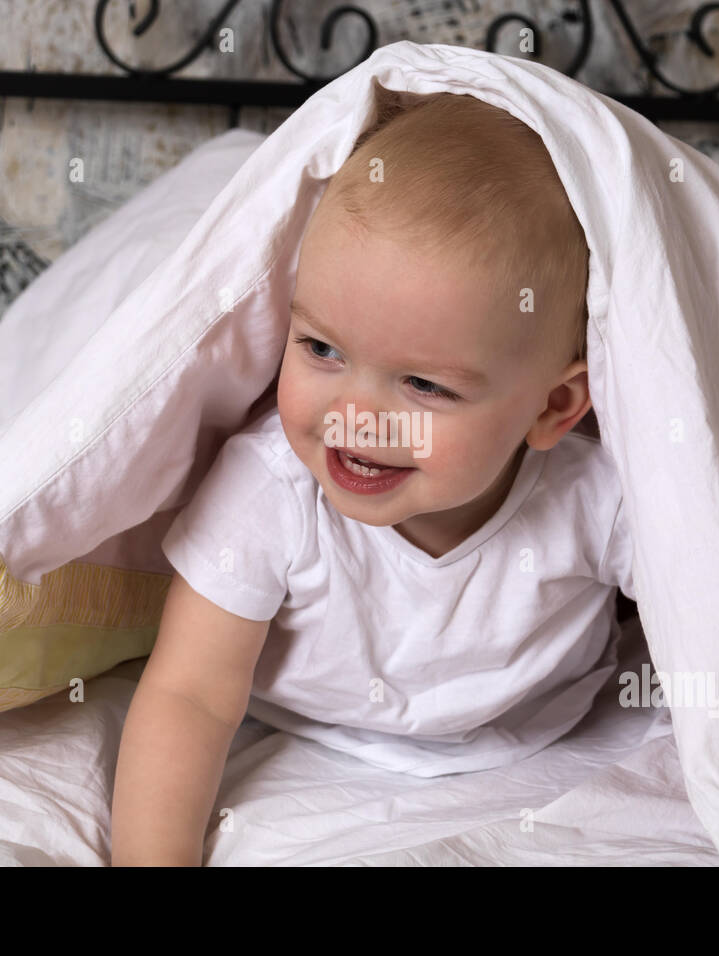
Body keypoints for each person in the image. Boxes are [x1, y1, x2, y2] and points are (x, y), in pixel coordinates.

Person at [111, 89, 635, 866]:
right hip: (296, 729)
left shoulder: (599, 497)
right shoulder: (269, 491)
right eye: (321, 348)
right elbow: (189, 693)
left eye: (424, 385)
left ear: (554, 406)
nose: (354, 416)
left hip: (543, 734)